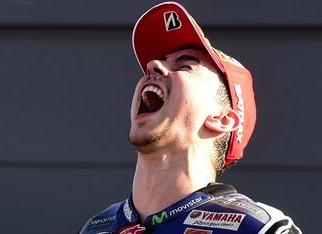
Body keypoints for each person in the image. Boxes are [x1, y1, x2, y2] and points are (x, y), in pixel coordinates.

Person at [80, 2, 301, 233]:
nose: (153, 65)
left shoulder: (257, 227)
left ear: (222, 119)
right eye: (157, 63)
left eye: (185, 66)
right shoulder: (96, 227)